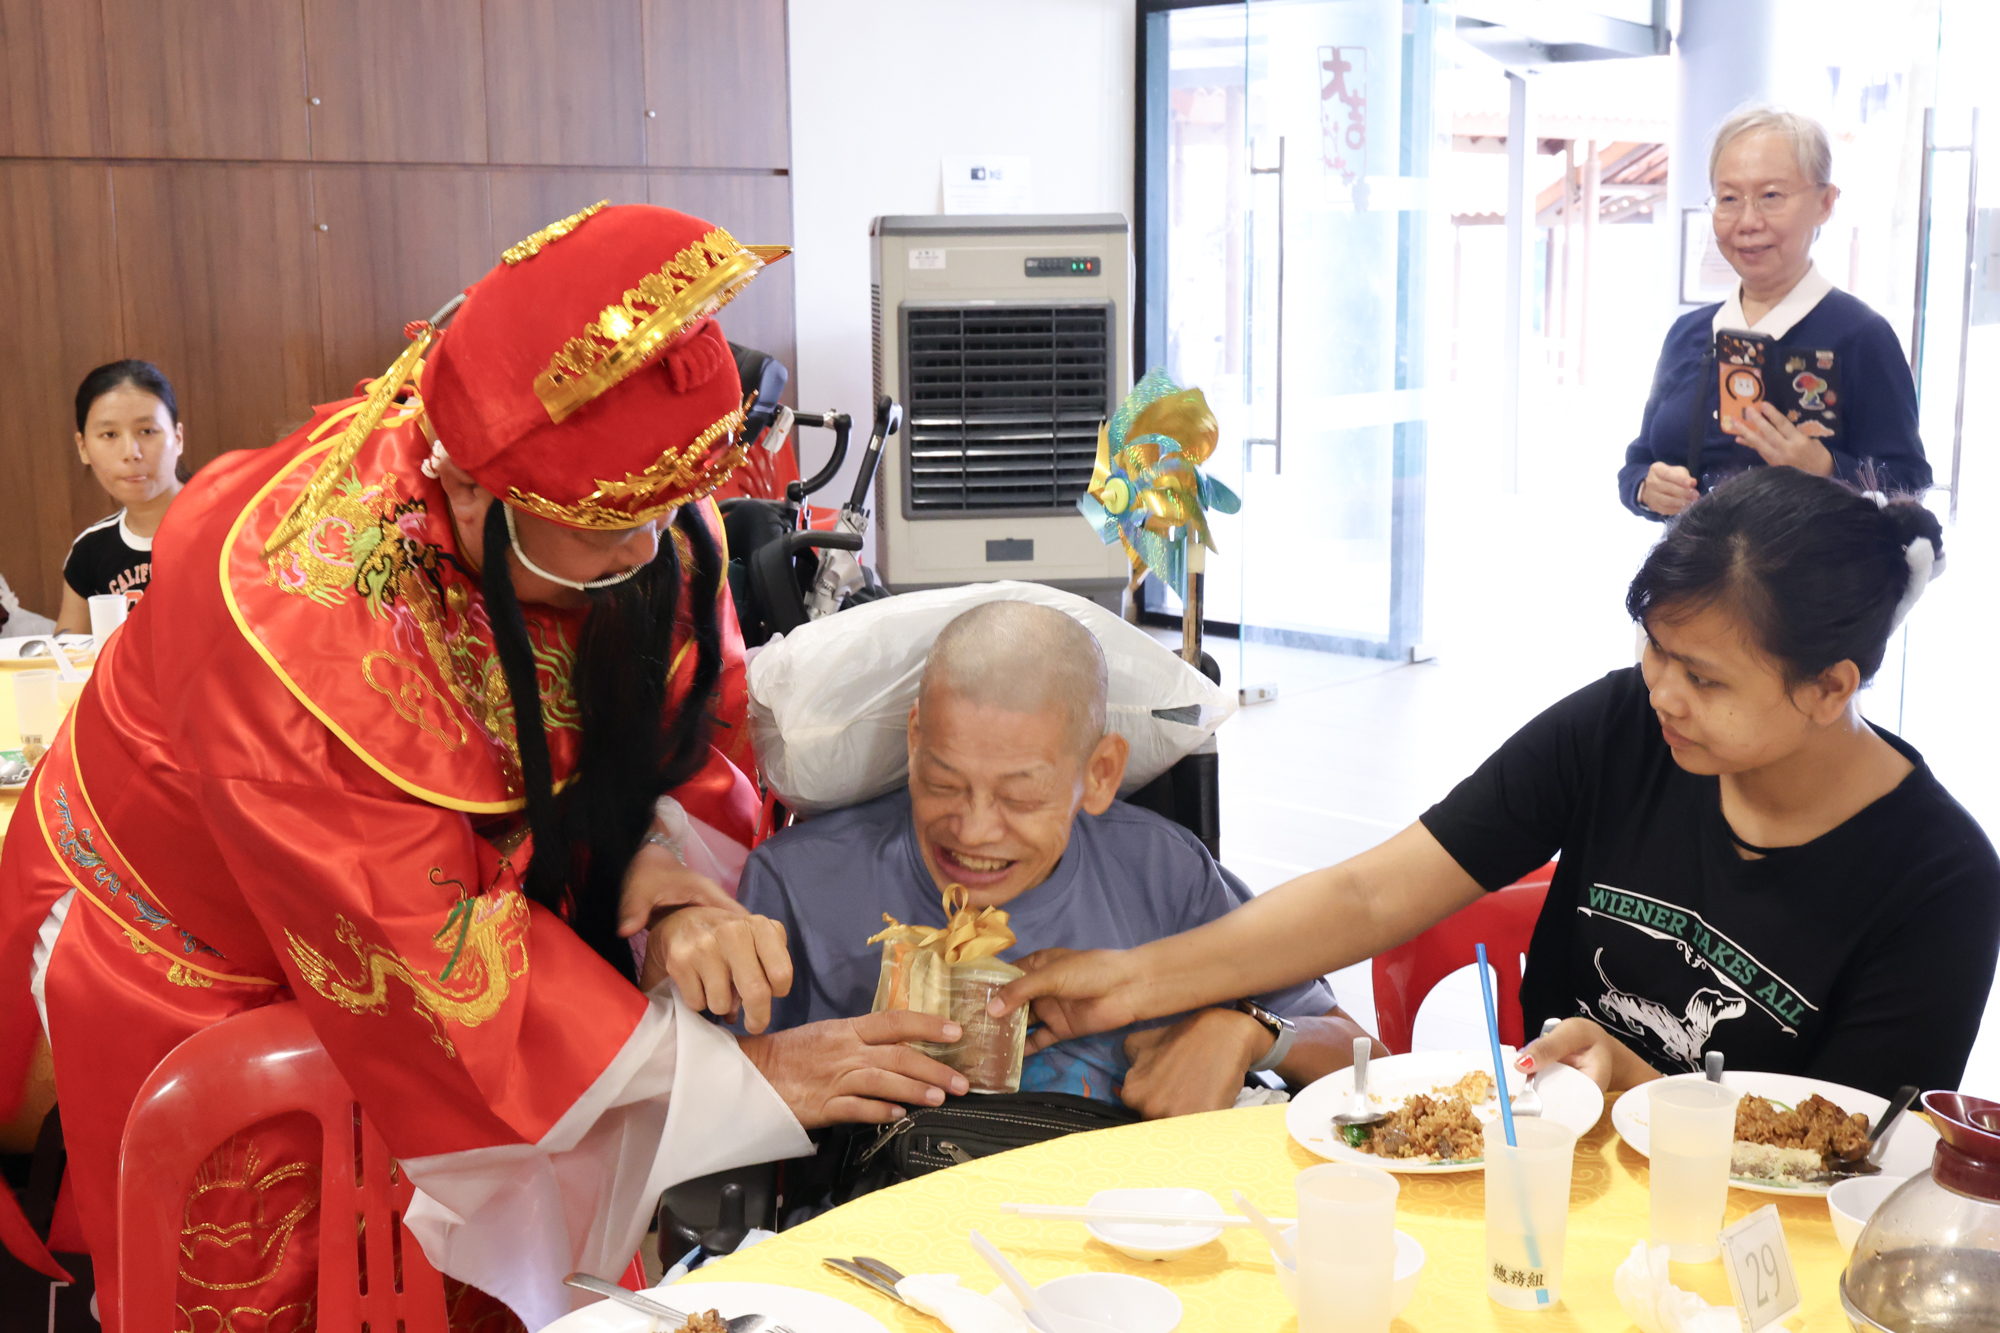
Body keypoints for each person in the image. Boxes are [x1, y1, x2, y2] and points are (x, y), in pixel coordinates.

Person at [0, 204, 968, 1332]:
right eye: (614, 534)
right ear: (469, 491)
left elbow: (691, 721)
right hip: (215, 941)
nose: (647, 551)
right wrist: (746, 1085)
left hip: (465, 914)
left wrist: (663, 875)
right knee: (287, 1277)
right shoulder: (289, 620)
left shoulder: (622, 493)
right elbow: (429, 961)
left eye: (665, 517)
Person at [994, 469, 1999, 1102]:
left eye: (1703, 677)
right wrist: (1127, 978)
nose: (1663, 692)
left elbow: (1854, 1152)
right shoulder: (1624, 726)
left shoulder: (1937, 880)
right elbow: (1373, 893)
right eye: (1653, 650)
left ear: (1830, 687)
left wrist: (1649, 1087)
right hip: (1535, 1173)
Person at [657, 600, 1378, 1120]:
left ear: (1097, 774)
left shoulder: (1163, 874)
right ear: (912, 741)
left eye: (1020, 797)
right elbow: (670, 1104)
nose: (972, 829)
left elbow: (1361, 1052)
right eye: (941, 781)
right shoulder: (801, 883)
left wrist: (1255, 1032)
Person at [1620, 107, 1930, 519]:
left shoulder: (1860, 335)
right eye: (1728, 198)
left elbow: (1910, 482)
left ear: (1825, 202)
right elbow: (1640, 457)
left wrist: (1825, 468)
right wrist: (1646, 487)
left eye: (1771, 196)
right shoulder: (1690, 333)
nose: (1747, 221)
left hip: (1812, 580)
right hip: (1696, 577)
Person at [54, 360, 186, 633]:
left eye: (147, 431)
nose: (131, 452)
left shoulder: (232, 529)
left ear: (178, 438)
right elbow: (69, 658)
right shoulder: (90, 551)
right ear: (83, 447)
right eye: (110, 434)